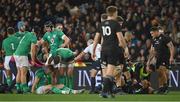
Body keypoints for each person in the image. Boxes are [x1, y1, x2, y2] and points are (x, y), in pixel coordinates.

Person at [92, 6, 126, 98]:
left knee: (105, 72)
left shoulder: (101, 24)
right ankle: (104, 92)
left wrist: (93, 51)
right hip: (112, 50)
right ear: (115, 13)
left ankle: (109, 92)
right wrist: (125, 48)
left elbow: (96, 39)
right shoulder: (116, 24)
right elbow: (121, 39)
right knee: (110, 73)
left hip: (103, 51)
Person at [146, 26, 175, 94]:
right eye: (151, 34)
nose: (151, 35)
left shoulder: (165, 38)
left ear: (156, 32)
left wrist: (171, 57)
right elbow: (152, 52)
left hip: (165, 58)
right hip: (158, 59)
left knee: (162, 70)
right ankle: (162, 87)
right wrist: (148, 61)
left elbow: (171, 47)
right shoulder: (154, 40)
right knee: (159, 73)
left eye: (152, 33)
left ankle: (164, 87)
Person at [14, 26, 37, 93]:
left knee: (19, 72)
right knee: (23, 73)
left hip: (16, 54)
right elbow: (32, 50)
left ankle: (18, 87)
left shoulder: (27, 33)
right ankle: (25, 89)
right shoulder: (33, 36)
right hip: (22, 55)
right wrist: (33, 60)